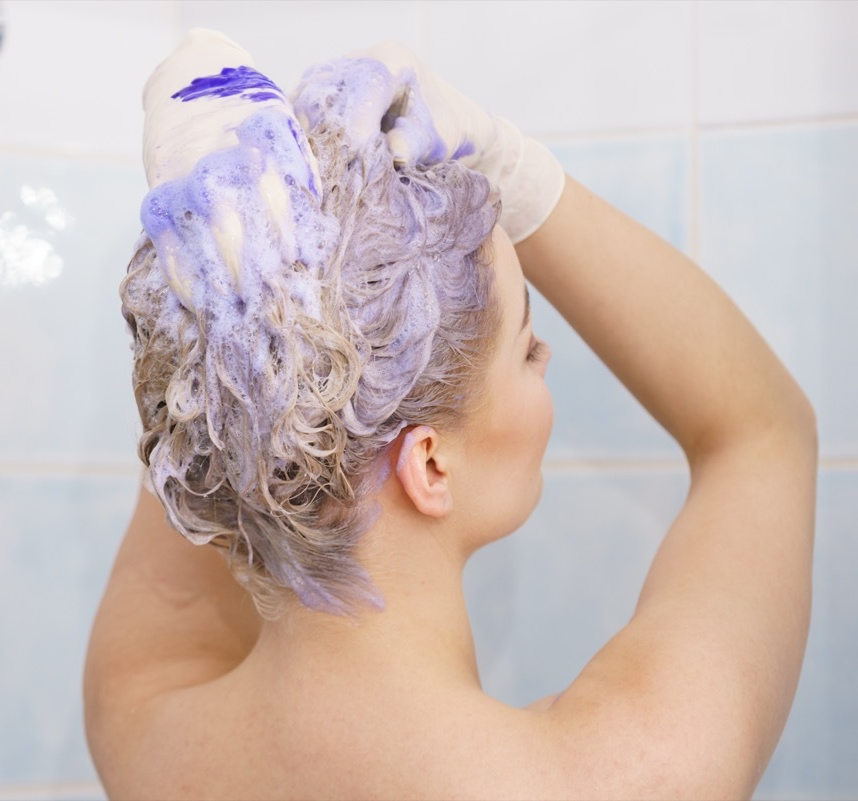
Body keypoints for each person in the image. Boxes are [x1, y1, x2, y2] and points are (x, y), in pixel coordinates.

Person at [85, 31, 817, 799]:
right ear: (429, 464)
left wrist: (248, 310)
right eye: (528, 348)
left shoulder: (147, 735)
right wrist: (515, 167)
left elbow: (225, 425)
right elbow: (762, 433)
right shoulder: (623, 776)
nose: (547, 362)